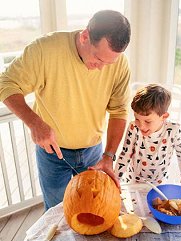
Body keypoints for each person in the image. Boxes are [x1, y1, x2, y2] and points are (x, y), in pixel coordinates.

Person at [0, 10, 131, 210]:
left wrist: (109, 156)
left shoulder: (120, 63)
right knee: (56, 214)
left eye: (109, 63)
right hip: (53, 154)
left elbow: (119, 111)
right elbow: (6, 83)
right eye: (98, 59)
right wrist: (35, 122)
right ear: (85, 36)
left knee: (93, 210)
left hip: (94, 152)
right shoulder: (44, 50)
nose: (101, 68)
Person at [115, 84, 181, 194]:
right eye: (137, 119)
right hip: (133, 181)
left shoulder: (174, 130)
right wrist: (115, 179)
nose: (141, 126)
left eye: (147, 121)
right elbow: (125, 155)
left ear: (164, 116)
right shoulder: (133, 127)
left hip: (160, 183)